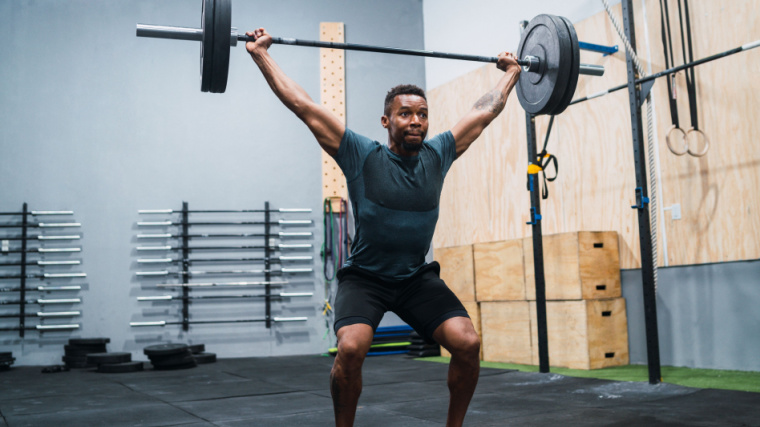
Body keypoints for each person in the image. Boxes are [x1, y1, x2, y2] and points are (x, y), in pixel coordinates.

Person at [246, 27, 521, 427]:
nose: (416, 121)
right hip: (367, 279)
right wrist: (261, 55)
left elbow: (485, 112)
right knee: (352, 347)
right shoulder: (361, 154)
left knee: (468, 343)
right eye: (406, 113)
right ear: (386, 120)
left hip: (415, 278)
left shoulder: (439, 153)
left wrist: (511, 72)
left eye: (423, 114)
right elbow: (302, 105)